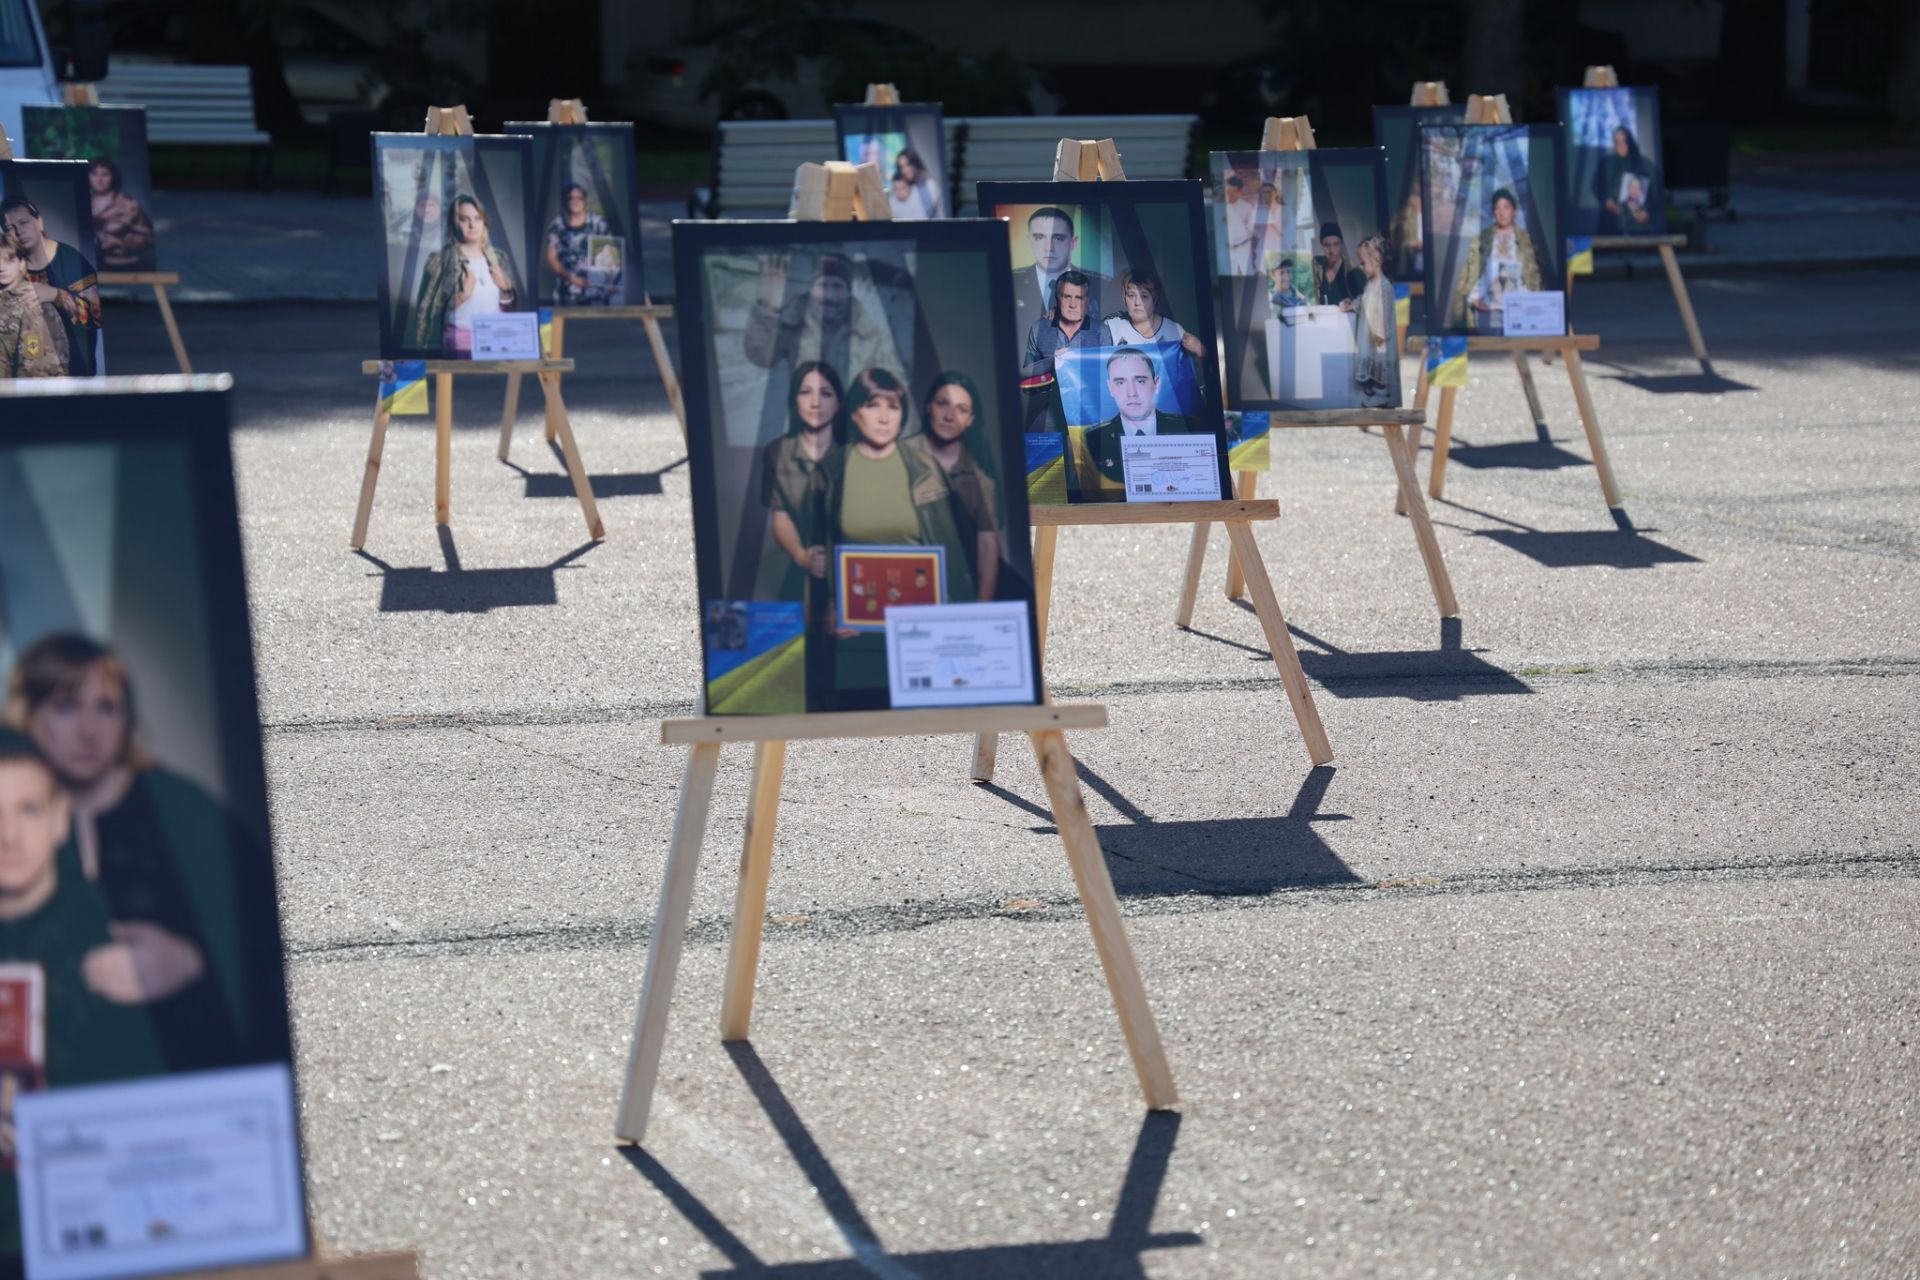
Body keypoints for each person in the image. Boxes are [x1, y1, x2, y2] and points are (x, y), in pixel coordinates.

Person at [6, 634, 254, 1069]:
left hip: (190, 1058)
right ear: (28, 714)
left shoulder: (182, 810)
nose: (89, 730)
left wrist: (191, 961)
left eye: (106, 707)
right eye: (66, 707)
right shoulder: (12, 818)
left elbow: (262, 924)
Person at [0, 728, 169, 1253]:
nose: (8, 836)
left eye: (28, 811)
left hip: (103, 1221)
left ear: (59, 819)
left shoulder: (123, 942)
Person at [823, 368, 976, 610]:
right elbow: (820, 552)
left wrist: (958, 611)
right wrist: (831, 607)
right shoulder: (831, 470)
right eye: (873, 405)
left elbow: (950, 550)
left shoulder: (925, 468)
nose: (884, 418)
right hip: (855, 608)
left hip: (920, 605)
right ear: (854, 412)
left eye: (893, 407)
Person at [760, 361, 846, 607]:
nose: (815, 403)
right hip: (803, 569)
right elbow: (781, 518)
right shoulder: (777, 452)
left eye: (826, 394)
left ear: (838, 403)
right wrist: (801, 555)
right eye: (805, 392)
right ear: (794, 400)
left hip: (852, 567)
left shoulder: (854, 453)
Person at [1072, 348, 1206, 501]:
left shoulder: (1187, 428)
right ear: (1110, 388)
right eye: (1120, 382)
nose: (1131, 393)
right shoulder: (1094, 438)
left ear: (1156, 383)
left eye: (1140, 381)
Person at [744, 252, 897, 382]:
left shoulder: (869, 334)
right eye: (823, 285)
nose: (828, 296)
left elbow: (890, 383)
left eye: (837, 286)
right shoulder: (794, 323)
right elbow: (761, 357)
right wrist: (768, 308)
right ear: (811, 289)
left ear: (848, 292)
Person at [919, 371, 1000, 602]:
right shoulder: (901, 456)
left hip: (956, 591)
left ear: (971, 419)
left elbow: (987, 545)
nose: (949, 416)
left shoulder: (982, 477)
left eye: (961, 409)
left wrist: (982, 609)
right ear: (928, 407)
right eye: (942, 403)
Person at [0, 195, 101, 377]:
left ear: (39, 221)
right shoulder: (8, 270)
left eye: (24, 222)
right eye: (10, 228)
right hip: (23, 374)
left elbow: (98, 317)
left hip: (75, 373)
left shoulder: (71, 261)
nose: (19, 231)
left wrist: (56, 295)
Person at [409, 193, 521, 355]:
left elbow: (510, 312)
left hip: (495, 341)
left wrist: (506, 290)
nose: (472, 225)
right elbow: (425, 312)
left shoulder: (499, 258)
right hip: (458, 345)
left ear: (484, 222)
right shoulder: (440, 260)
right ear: (455, 223)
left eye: (477, 218)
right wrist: (462, 296)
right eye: (464, 219)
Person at [1012, 207, 1109, 353]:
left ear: (1073, 242)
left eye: (1058, 238)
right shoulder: (1008, 284)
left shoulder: (1103, 286)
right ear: (1029, 241)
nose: (1049, 248)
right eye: (1039, 237)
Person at [1450, 186, 1542, 331]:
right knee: (1489, 341)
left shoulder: (1527, 239)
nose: (1501, 213)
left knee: (1520, 343)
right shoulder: (1483, 238)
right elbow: (1471, 270)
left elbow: (1537, 274)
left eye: (1506, 207)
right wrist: (1474, 298)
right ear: (1493, 212)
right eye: (1497, 208)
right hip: (1489, 307)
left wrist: (1534, 300)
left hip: (1520, 306)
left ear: (1514, 210)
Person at [0, 236, 70, 378]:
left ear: (21, 264)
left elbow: (36, 371)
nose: (1, 267)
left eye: (9, 260)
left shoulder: (31, 301)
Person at [1102, 267, 1208, 360]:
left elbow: (1195, 370)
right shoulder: (1111, 326)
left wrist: (1201, 350)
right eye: (1131, 295)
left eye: (1144, 296)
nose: (1137, 303)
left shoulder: (1173, 330)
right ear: (1124, 298)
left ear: (1155, 300)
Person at [544, 182, 612, 305]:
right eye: (570, 198)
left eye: (579, 198)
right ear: (565, 201)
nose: (575, 201)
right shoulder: (557, 225)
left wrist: (612, 282)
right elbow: (551, 258)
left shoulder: (598, 223)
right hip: (567, 292)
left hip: (597, 292)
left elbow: (611, 254)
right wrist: (572, 279)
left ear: (584, 201)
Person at [1021, 269, 1097, 380]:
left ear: (1087, 301)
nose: (1073, 305)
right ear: (1057, 299)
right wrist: (1054, 361)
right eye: (1067, 297)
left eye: (1079, 298)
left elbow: (1108, 374)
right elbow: (1025, 375)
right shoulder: (1038, 329)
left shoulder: (1102, 330)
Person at [86, 158, 156, 273]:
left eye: (105, 174)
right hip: (89, 266)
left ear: (113, 177)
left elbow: (149, 237)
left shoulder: (128, 204)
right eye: (94, 174)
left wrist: (121, 243)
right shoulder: (83, 202)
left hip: (125, 266)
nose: (99, 179)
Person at [1352, 233, 1397, 408]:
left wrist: (1381, 333)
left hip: (1378, 336)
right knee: (1373, 363)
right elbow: (1364, 301)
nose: (1360, 266)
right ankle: (1374, 390)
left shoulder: (1384, 286)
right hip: (1369, 334)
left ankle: (1381, 394)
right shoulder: (1370, 284)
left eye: (1363, 262)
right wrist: (1352, 305)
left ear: (1377, 260)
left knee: (1380, 363)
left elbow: (1386, 311)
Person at [1596, 125, 1654, 234]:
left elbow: (1652, 193)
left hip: (1637, 225)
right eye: (1617, 143)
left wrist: (1647, 211)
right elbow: (1598, 186)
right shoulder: (1606, 164)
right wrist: (1606, 201)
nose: (1620, 146)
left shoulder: (1643, 164)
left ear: (1629, 142)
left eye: (1623, 142)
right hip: (1612, 224)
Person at [1313, 222, 1366, 309]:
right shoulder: (1317, 266)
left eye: (1336, 244)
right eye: (1327, 245)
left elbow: (1366, 304)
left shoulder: (1352, 271)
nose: (1331, 250)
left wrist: (1352, 305)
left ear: (1341, 244)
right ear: (1321, 245)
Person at [893, 148, 943, 219]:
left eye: (908, 165)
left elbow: (922, 217)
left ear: (915, 163)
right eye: (901, 167)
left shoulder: (929, 185)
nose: (904, 170)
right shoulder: (908, 185)